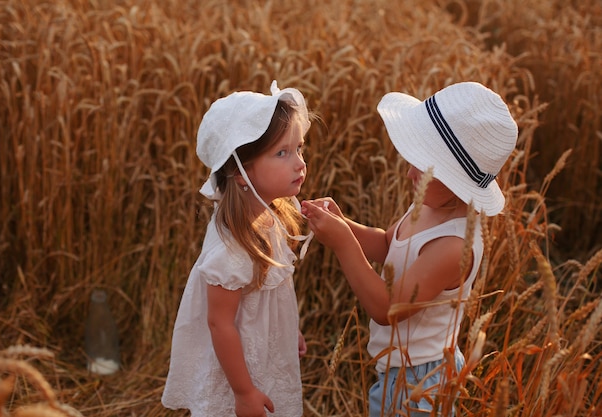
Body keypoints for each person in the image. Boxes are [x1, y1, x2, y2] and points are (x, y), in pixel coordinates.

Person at [301, 82, 518, 416]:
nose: (408, 173)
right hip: (400, 370)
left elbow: (386, 307)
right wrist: (347, 226)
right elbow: (390, 244)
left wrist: (343, 243)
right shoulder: (431, 206)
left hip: (420, 384)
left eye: (423, 167)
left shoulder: (453, 247)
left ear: (455, 180)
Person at [161, 81, 313, 417]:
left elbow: (271, 293)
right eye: (282, 153)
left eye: (299, 148)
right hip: (240, 371)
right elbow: (220, 324)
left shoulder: (267, 217)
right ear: (239, 172)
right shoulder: (230, 250)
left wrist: (288, 329)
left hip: (263, 350)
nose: (300, 163)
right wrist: (244, 393)